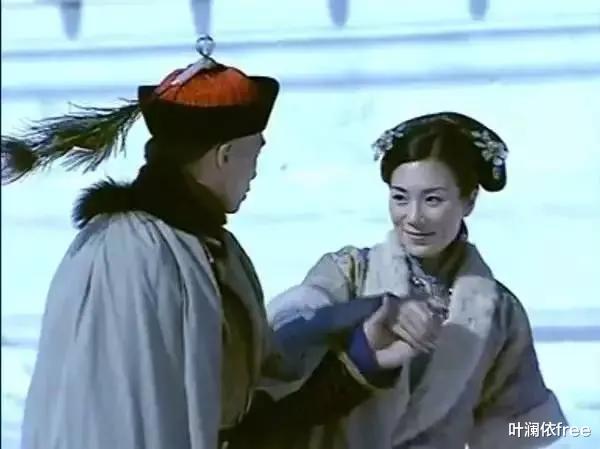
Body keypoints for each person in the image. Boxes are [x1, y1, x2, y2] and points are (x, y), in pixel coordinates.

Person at [2, 37, 446, 449]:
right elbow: (115, 418)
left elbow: (247, 411)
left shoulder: (212, 250)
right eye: (256, 151)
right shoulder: (128, 255)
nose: (255, 170)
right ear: (226, 154)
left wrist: (364, 354)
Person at [260, 112, 567, 449]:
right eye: (400, 197)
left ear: (469, 200)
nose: (414, 217)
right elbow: (282, 336)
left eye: (433, 199)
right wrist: (366, 310)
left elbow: (522, 427)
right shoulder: (350, 272)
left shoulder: (498, 311)